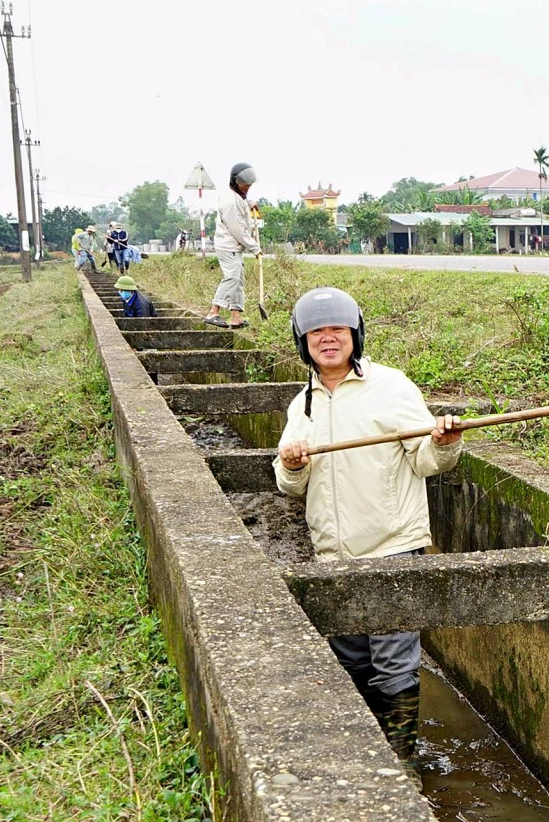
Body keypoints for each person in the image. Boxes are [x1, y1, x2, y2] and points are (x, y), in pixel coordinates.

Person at [274, 287, 463, 760]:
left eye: (337, 329)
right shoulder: (303, 404)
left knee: (395, 662)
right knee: (351, 658)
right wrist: (292, 465)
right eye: (317, 332)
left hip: (392, 545)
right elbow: (289, 487)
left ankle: (401, 761)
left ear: (355, 334)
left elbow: (425, 461)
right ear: (304, 343)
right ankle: (365, 752)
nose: (328, 338)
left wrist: (444, 440)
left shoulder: (393, 387)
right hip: (334, 554)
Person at [208, 163, 261, 328]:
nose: (247, 188)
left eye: (249, 186)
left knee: (238, 280)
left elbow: (241, 203)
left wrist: (250, 204)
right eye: (244, 185)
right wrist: (255, 248)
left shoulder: (237, 195)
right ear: (235, 182)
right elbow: (239, 230)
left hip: (234, 247)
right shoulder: (230, 201)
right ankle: (213, 312)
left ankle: (236, 316)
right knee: (231, 278)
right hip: (228, 246)